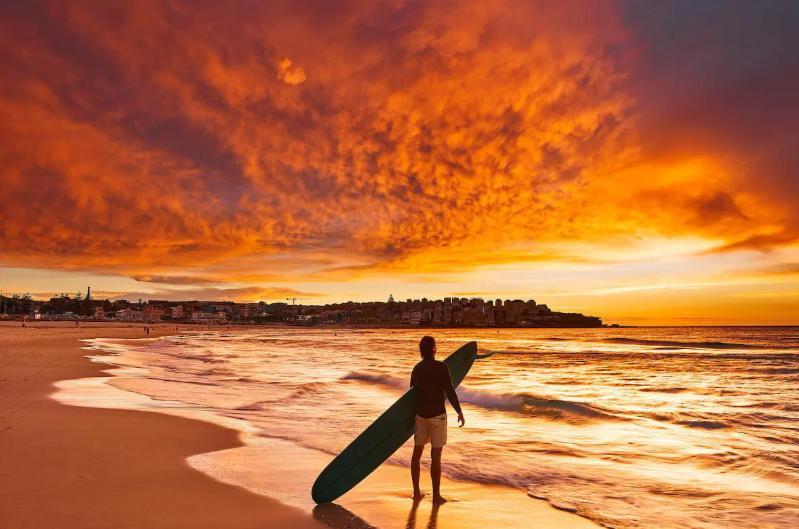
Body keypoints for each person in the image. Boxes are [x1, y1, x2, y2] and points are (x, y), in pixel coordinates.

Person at [409, 335, 464, 504]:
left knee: (416, 455)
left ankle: (417, 492)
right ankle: (436, 496)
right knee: (436, 456)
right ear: (434, 349)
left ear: (421, 350)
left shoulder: (417, 369)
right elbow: (450, 391)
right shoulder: (442, 367)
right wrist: (459, 412)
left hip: (421, 416)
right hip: (438, 417)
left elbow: (411, 395)